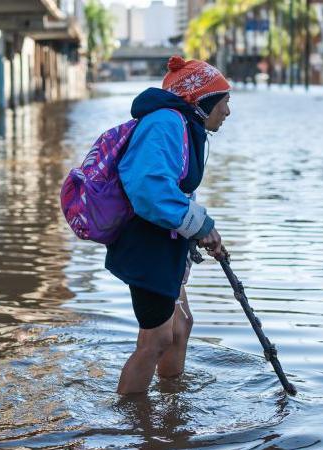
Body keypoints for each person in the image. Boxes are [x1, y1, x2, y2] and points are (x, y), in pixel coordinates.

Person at [107, 56, 231, 394]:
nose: (228, 111)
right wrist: (199, 225)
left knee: (180, 327)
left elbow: (176, 190)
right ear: (203, 101)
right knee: (157, 339)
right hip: (147, 245)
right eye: (224, 101)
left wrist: (198, 233)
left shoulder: (185, 126)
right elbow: (148, 189)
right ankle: (131, 424)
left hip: (167, 243)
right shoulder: (166, 123)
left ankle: (172, 406)